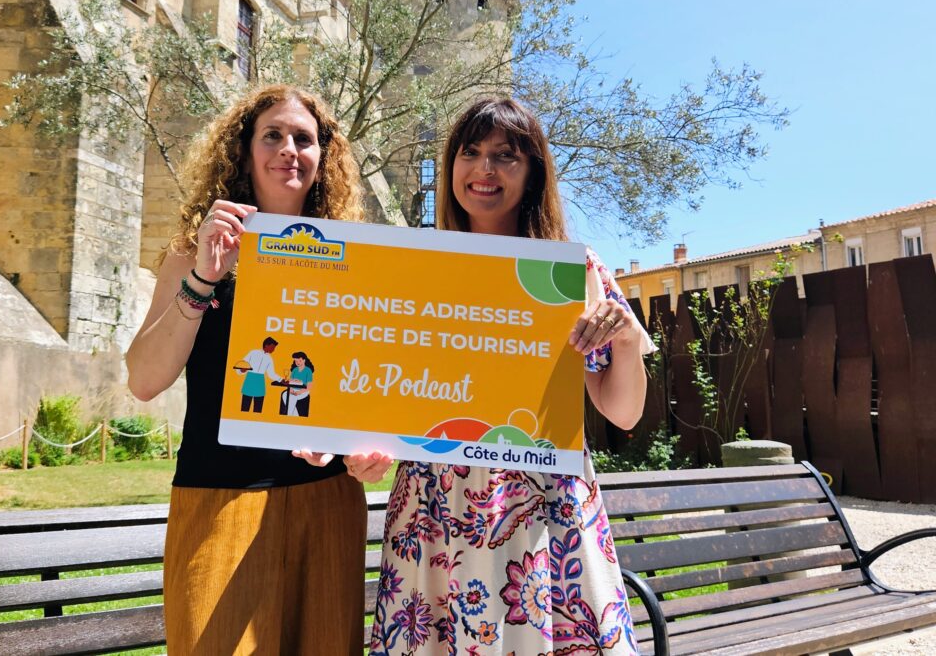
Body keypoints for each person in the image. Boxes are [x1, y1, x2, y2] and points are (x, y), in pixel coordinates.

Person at [369, 96, 652, 656]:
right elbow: (381, 387)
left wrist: (623, 341)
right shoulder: (415, 266)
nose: (484, 169)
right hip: (435, 507)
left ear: (533, 173)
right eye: (470, 152)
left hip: (543, 507)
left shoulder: (573, 269)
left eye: (506, 156)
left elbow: (622, 411)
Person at [125, 84, 382, 656]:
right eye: (273, 135)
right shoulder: (192, 253)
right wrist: (203, 280)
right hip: (218, 500)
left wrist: (368, 445)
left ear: (324, 158)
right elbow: (143, 381)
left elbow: (363, 388)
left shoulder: (355, 261)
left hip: (327, 503)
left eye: (305, 139)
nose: (289, 149)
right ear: (243, 152)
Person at [237, 335, 281, 412]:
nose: (273, 349)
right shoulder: (253, 352)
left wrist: (281, 379)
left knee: (257, 410)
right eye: (272, 347)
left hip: (260, 383)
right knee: (244, 408)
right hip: (249, 381)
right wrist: (241, 371)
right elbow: (242, 365)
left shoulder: (269, 359)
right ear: (266, 345)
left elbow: (271, 374)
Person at [279, 350, 315, 416]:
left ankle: (289, 415)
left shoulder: (308, 371)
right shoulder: (295, 370)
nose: (297, 362)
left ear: (304, 360)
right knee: (284, 394)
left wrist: (299, 392)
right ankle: (295, 415)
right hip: (293, 389)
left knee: (292, 398)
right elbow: (290, 381)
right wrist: (291, 389)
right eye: (296, 361)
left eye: (299, 361)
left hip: (304, 391)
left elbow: (309, 386)